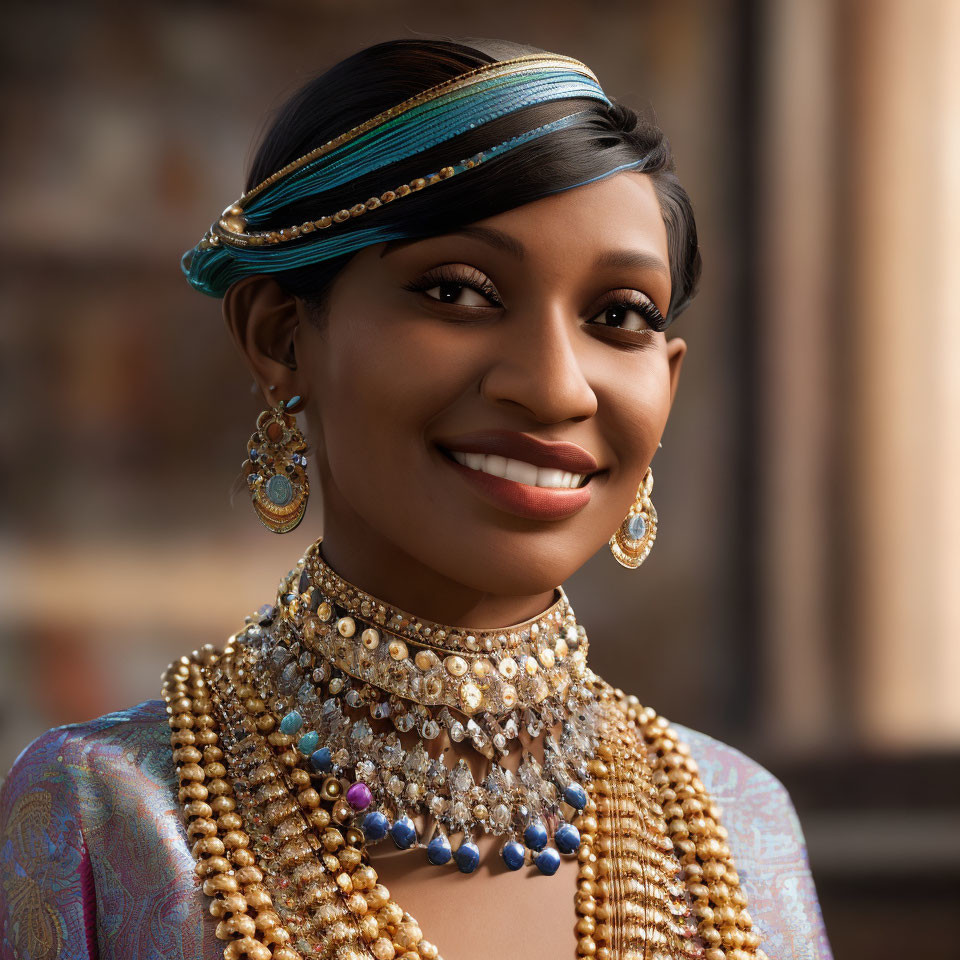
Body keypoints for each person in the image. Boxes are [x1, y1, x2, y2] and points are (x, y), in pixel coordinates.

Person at [0, 36, 832, 960]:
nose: (556, 388)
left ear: (668, 380)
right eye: (458, 292)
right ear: (281, 339)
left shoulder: (737, 823)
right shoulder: (113, 811)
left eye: (620, 317)